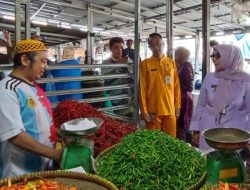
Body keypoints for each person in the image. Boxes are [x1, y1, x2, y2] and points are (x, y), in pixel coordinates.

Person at [0, 39, 63, 178]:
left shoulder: (33, 87)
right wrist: (54, 154)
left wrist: (60, 133)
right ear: (25, 60)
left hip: (42, 169)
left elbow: (40, 121)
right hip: (20, 175)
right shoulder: (7, 89)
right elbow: (14, 135)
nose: (45, 66)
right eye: (43, 61)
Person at [190, 44, 250, 152]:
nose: (214, 60)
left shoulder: (246, 81)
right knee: (209, 164)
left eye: (218, 56)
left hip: (234, 137)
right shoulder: (210, 78)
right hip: (209, 132)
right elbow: (201, 105)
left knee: (231, 166)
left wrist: (248, 141)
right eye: (213, 56)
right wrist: (196, 130)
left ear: (230, 57)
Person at [139, 33, 181, 137]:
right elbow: (142, 89)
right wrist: (144, 111)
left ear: (163, 44)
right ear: (149, 47)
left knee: (171, 142)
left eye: (158, 44)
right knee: (153, 143)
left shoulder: (171, 63)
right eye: (152, 45)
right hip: (153, 111)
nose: (156, 47)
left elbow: (176, 86)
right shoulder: (145, 64)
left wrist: (177, 106)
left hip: (170, 110)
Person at [102, 37, 133, 116]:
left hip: (128, 101)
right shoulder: (106, 63)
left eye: (121, 47)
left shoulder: (128, 61)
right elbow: (105, 77)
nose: (119, 50)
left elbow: (135, 76)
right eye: (116, 47)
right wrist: (118, 64)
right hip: (113, 103)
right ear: (111, 49)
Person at [175, 47, 194, 141]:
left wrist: (176, 86)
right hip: (181, 97)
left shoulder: (187, 67)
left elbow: (189, 86)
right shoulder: (180, 66)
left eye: (176, 54)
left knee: (183, 120)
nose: (175, 56)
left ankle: (184, 140)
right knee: (180, 121)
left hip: (185, 98)